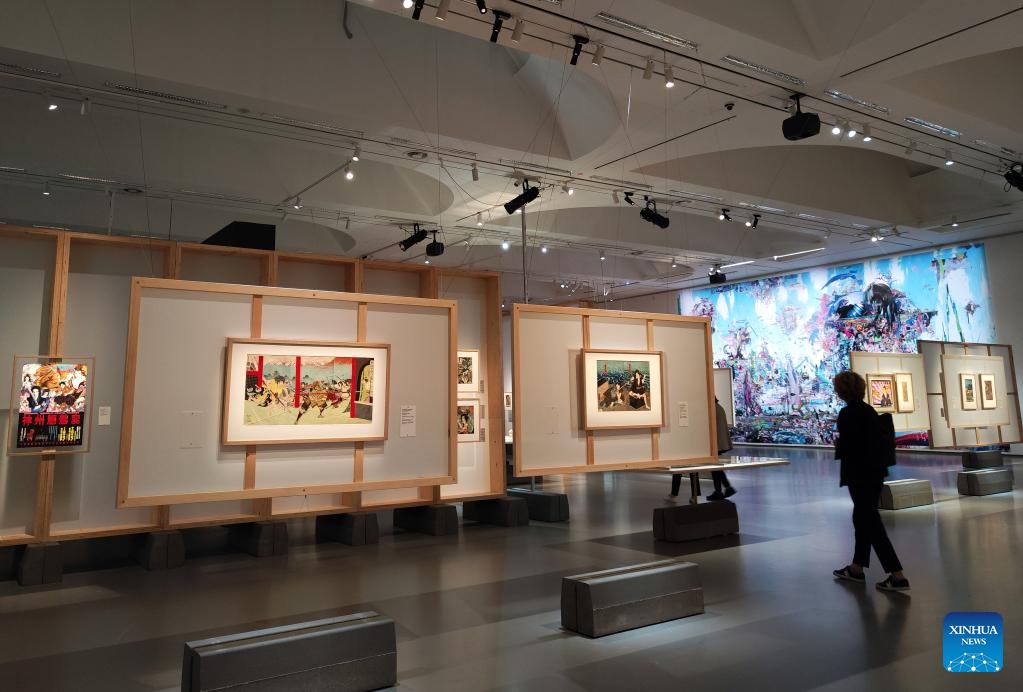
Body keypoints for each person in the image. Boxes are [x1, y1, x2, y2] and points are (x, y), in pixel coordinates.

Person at [831, 370, 910, 592]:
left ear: (841, 391)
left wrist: (839, 444)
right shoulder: (868, 411)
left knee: (871, 522)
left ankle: (897, 575)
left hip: (859, 475)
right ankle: (856, 568)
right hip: (874, 474)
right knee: (862, 518)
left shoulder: (847, 414)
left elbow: (850, 447)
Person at [669, 398, 735, 501]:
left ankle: (722, 489)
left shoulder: (713, 409)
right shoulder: (719, 408)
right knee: (716, 468)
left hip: (716, 443)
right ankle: (723, 489)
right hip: (719, 442)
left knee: (715, 468)